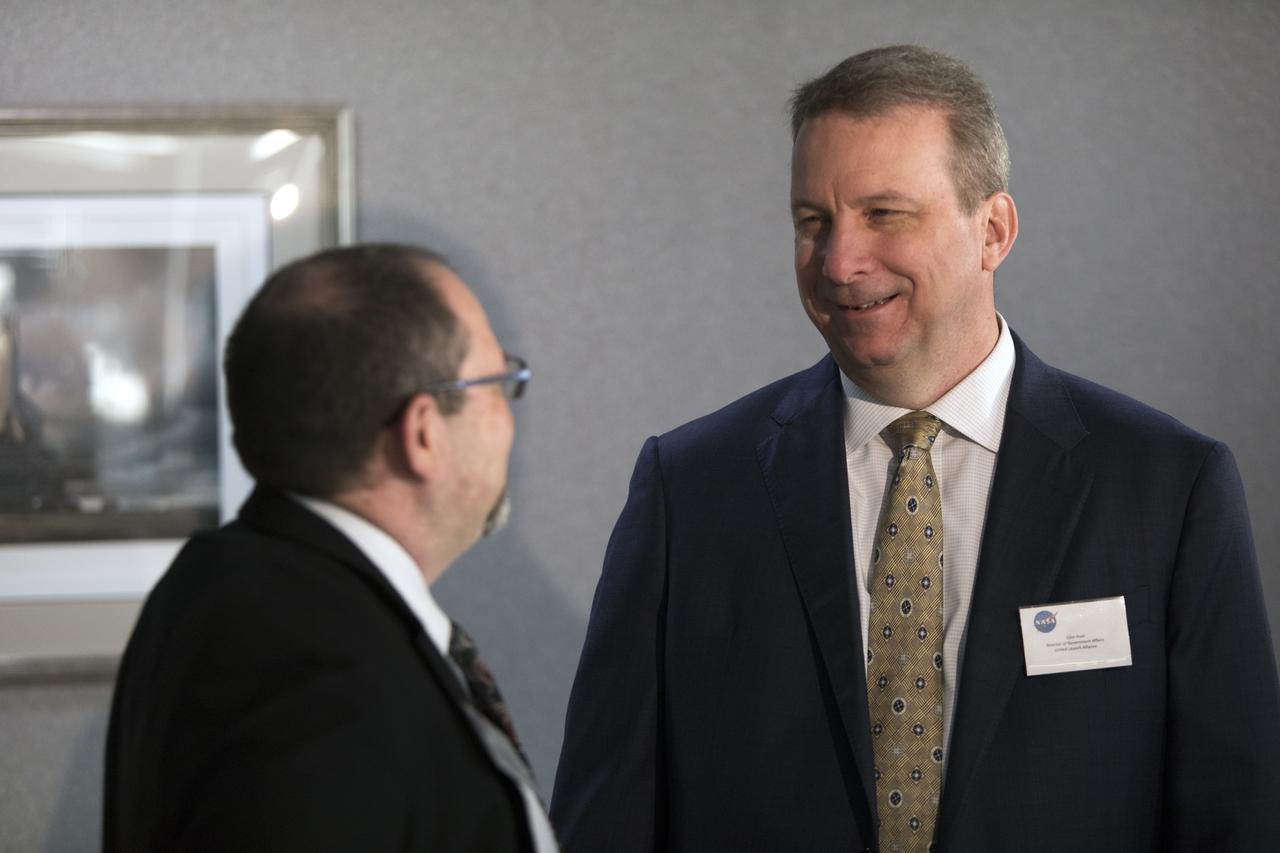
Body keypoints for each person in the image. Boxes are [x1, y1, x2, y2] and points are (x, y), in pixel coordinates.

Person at [551, 45, 1280, 852]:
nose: (839, 262)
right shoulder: (690, 490)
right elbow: (606, 817)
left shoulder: (1169, 488)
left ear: (992, 230)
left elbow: (1234, 815)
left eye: (884, 214)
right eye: (813, 222)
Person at [103, 244, 557, 852]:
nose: (510, 417)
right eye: (499, 382)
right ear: (423, 433)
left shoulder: (219, 581)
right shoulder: (320, 678)